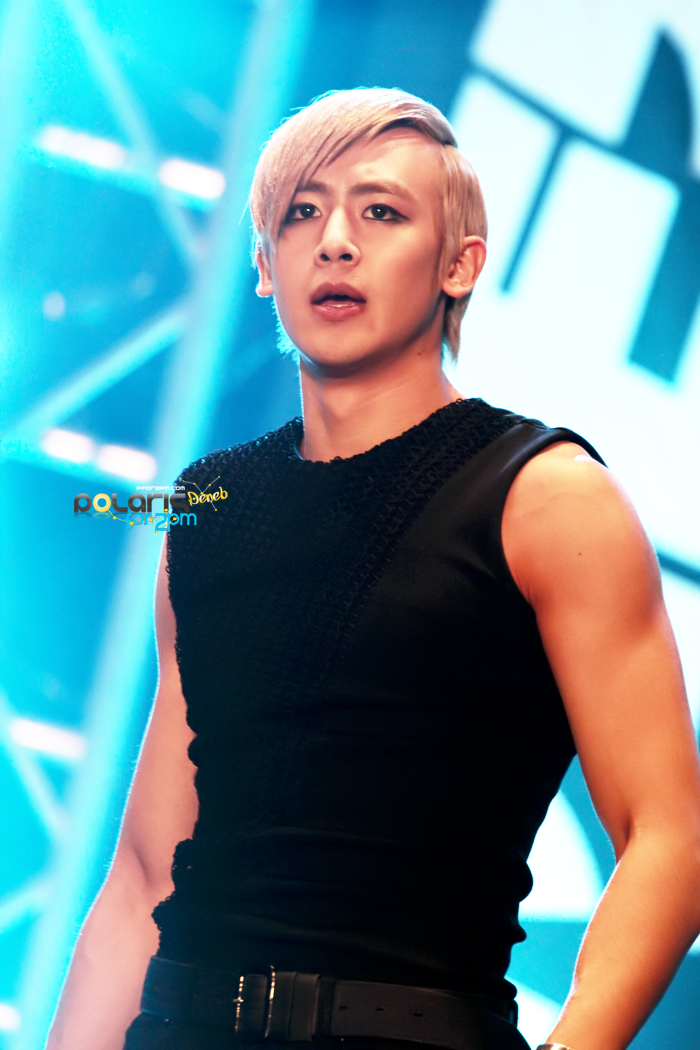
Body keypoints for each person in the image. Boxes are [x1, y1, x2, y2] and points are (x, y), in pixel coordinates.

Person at [47, 88, 700, 1050]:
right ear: (264, 264)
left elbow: (669, 837)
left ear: (459, 264)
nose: (335, 242)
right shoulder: (207, 506)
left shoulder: (546, 495)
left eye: (381, 211)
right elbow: (146, 872)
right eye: (302, 213)